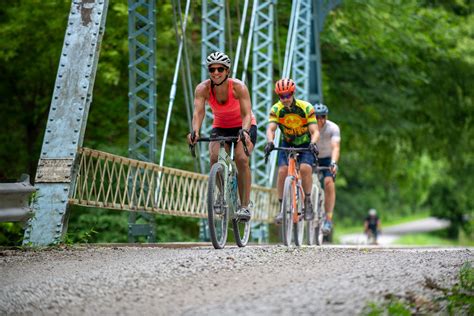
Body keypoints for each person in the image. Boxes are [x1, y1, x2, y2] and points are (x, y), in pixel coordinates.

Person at [187, 52, 257, 222]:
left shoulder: (238, 87)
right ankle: (221, 194)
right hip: (221, 127)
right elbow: (198, 113)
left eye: (220, 69)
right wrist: (195, 131)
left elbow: (247, 114)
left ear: (227, 71)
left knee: (241, 159)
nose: (216, 72)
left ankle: (245, 206)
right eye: (212, 69)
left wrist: (245, 132)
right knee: (214, 157)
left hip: (243, 126)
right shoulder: (202, 89)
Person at [264, 78, 319, 223]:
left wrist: (313, 143)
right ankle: (282, 208)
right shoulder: (276, 109)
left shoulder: (306, 107)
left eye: (288, 95)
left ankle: (307, 202)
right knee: (282, 171)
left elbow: (315, 131)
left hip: (305, 143)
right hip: (287, 143)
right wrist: (270, 141)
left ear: (293, 93)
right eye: (282, 96)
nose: (285, 99)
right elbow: (271, 128)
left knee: (306, 168)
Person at [314, 103, 340, 234]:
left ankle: (328, 218)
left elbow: (335, 147)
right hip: (312, 156)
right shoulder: (309, 127)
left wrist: (334, 162)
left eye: (323, 116)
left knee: (328, 183)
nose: (320, 120)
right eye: (317, 117)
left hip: (327, 158)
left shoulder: (333, 128)